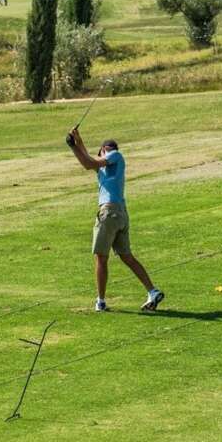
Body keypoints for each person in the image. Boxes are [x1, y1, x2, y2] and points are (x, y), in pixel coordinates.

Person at [66, 126, 164, 313]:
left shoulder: (115, 155)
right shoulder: (103, 168)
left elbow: (90, 162)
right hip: (120, 213)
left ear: (104, 150)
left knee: (101, 258)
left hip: (109, 213)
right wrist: (76, 141)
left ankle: (101, 302)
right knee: (127, 257)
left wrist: (73, 146)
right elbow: (88, 160)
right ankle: (152, 291)